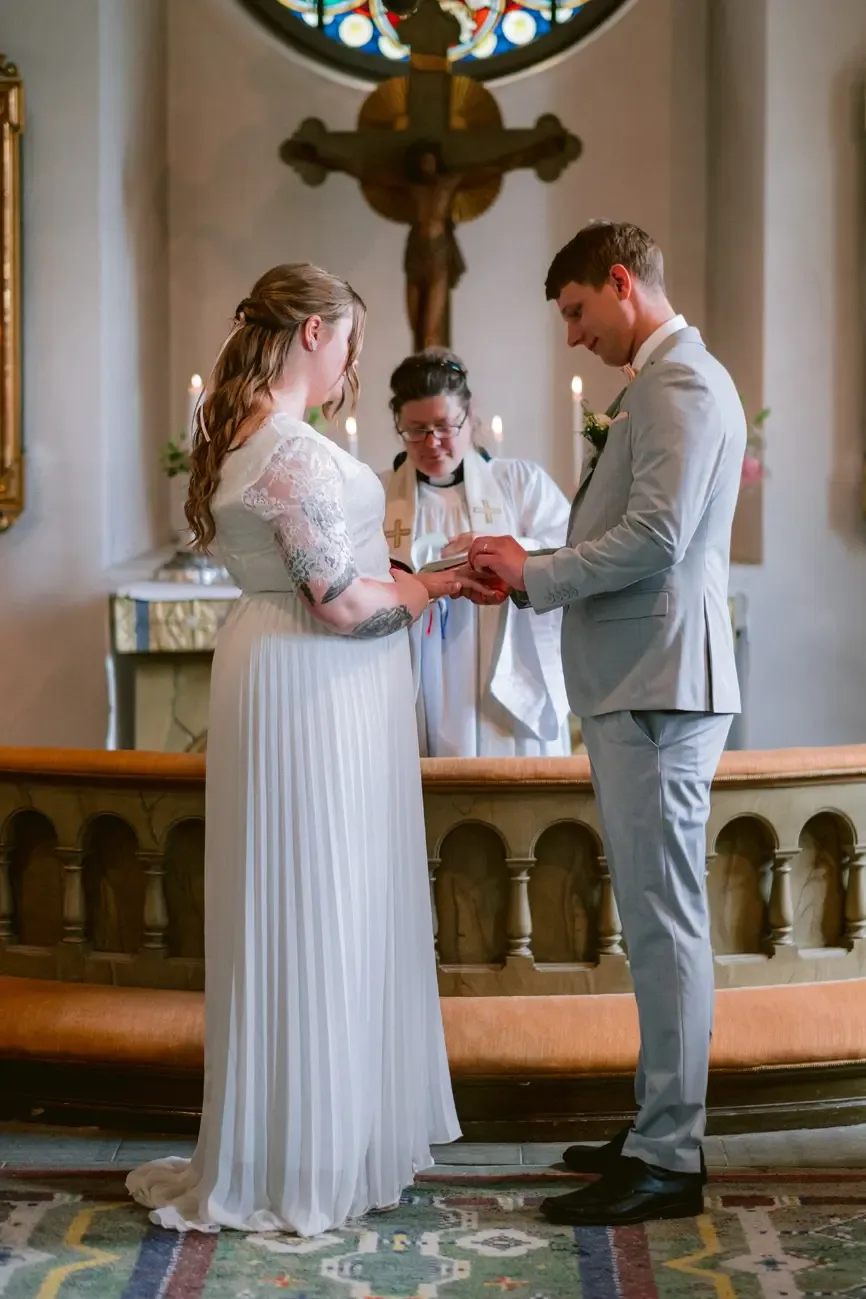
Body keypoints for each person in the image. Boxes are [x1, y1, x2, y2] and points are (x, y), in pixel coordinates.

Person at [126, 264, 495, 1236]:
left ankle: (310, 1133)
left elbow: (330, 573)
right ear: (312, 335)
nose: (351, 364)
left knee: (306, 896)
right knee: (316, 897)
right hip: (310, 685)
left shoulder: (254, 437)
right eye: (348, 344)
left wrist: (404, 578)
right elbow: (337, 604)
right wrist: (434, 591)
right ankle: (307, 1155)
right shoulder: (288, 449)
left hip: (285, 667)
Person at [470, 222, 746, 1227]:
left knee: (665, 922)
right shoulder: (676, 381)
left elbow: (657, 536)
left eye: (578, 313)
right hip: (647, 676)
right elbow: (637, 528)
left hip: (657, 681)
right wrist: (530, 556)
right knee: (652, 917)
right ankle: (650, 1130)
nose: (574, 337)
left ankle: (669, 1154)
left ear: (619, 283)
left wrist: (535, 575)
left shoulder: (675, 382)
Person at [381, 347, 572, 758]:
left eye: (443, 425)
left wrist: (512, 553)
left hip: (501, 677)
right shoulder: (379, 495)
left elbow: (572, 553)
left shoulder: (520, 483)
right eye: (415, 429)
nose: (430, 442)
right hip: (419, 672)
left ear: (469, 417)